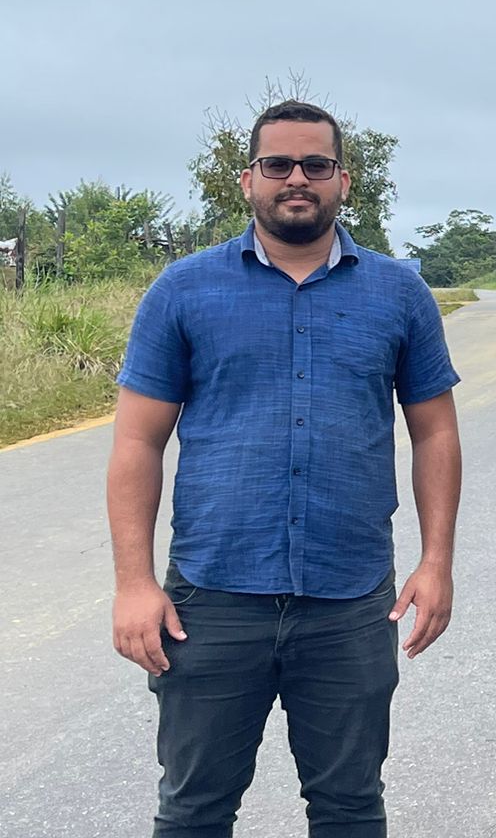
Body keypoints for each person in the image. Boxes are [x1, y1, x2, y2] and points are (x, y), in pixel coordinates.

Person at [108, 100, 463, 837]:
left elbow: (435, 433)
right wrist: (134, 583)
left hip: (350, 602)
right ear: (248, 179)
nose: (297, 179)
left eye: (316, 164)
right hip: (210, 601)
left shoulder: (399, 293)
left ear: (343, 180)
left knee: (349, 809)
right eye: (277, 164)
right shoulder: (183, 289)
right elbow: (138, 443)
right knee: (194, 810)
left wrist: (437, 562)